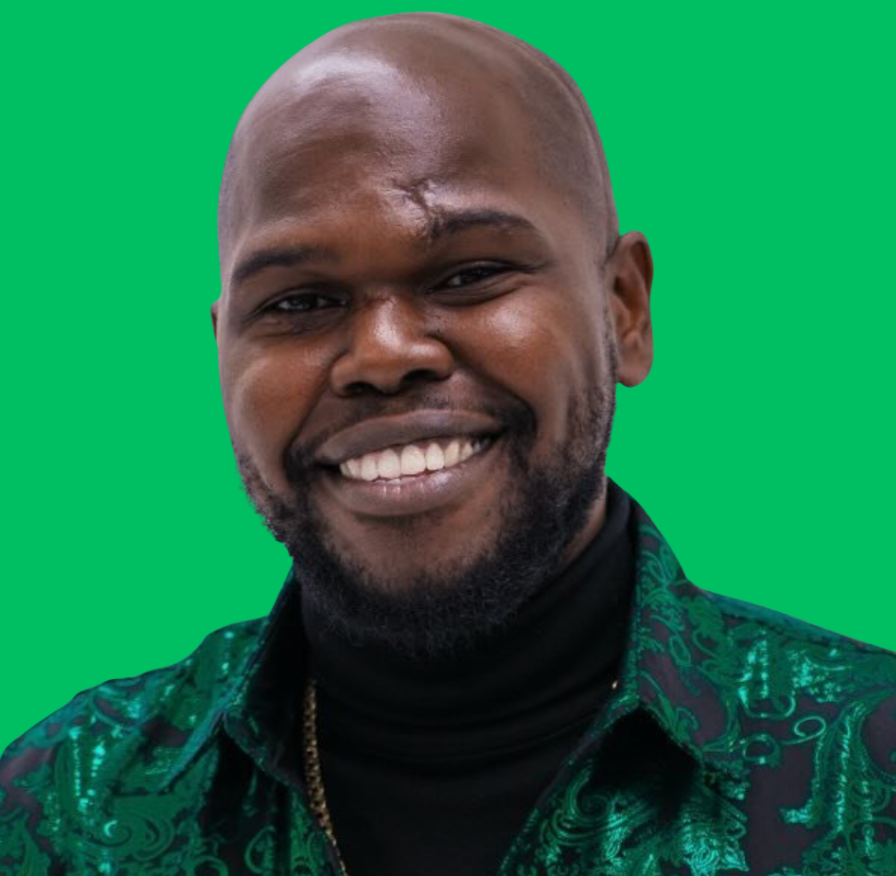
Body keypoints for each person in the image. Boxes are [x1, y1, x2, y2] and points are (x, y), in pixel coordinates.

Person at [2, 11, 894, 876]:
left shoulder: (872, 771)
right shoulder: (62, 815)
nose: (383, 355)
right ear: (223, 350)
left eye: (470, 274)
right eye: (299, 303)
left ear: (623, 309)